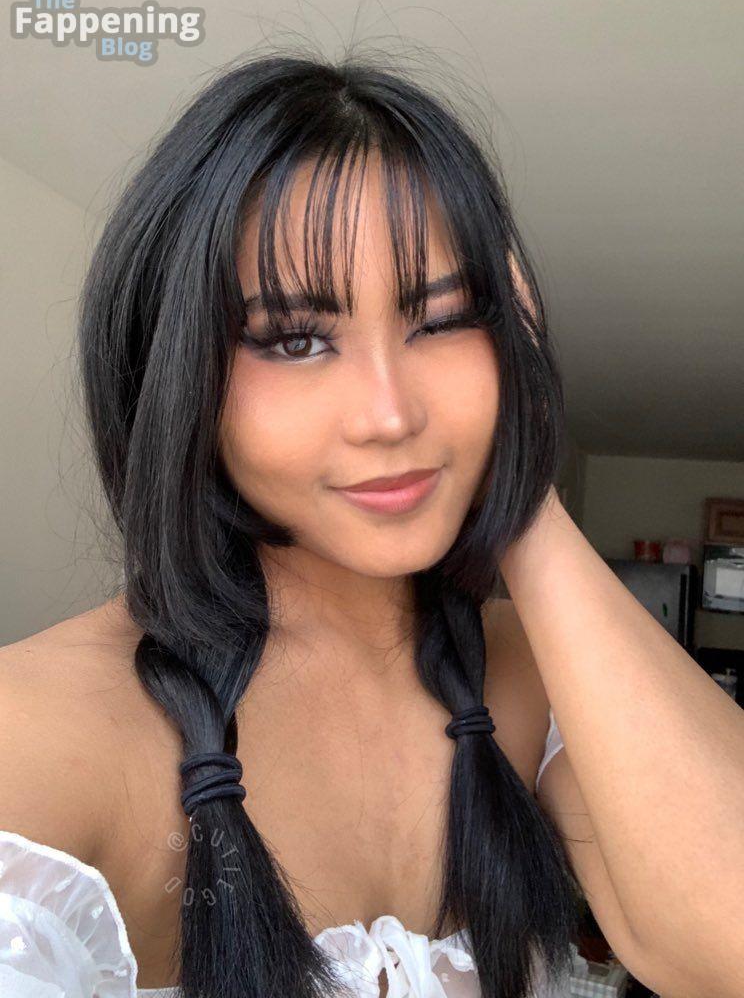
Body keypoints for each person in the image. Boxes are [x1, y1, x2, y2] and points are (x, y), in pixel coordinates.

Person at [0, 48, 586, 998]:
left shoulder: (543, 670)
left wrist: (528, 481)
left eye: (442, 321)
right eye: (295, 339)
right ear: (175, 374)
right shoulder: (33, 734)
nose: (389, 416)